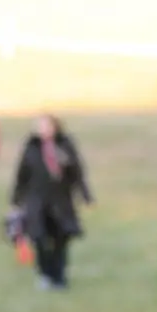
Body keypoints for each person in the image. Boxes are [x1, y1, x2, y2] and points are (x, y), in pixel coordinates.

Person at [9, 114, 93, 290]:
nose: (43, 130)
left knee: (61, 238)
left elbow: (77, 172)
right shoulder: (31, 147)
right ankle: (45, 274)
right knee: (39, 238)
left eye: (47, 126)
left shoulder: (65, 145)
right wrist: (16, 198)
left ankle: (60, 276)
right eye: (40, 126)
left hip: (61, 201)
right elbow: (22, 173)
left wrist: (85, 194)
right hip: (37, 201)